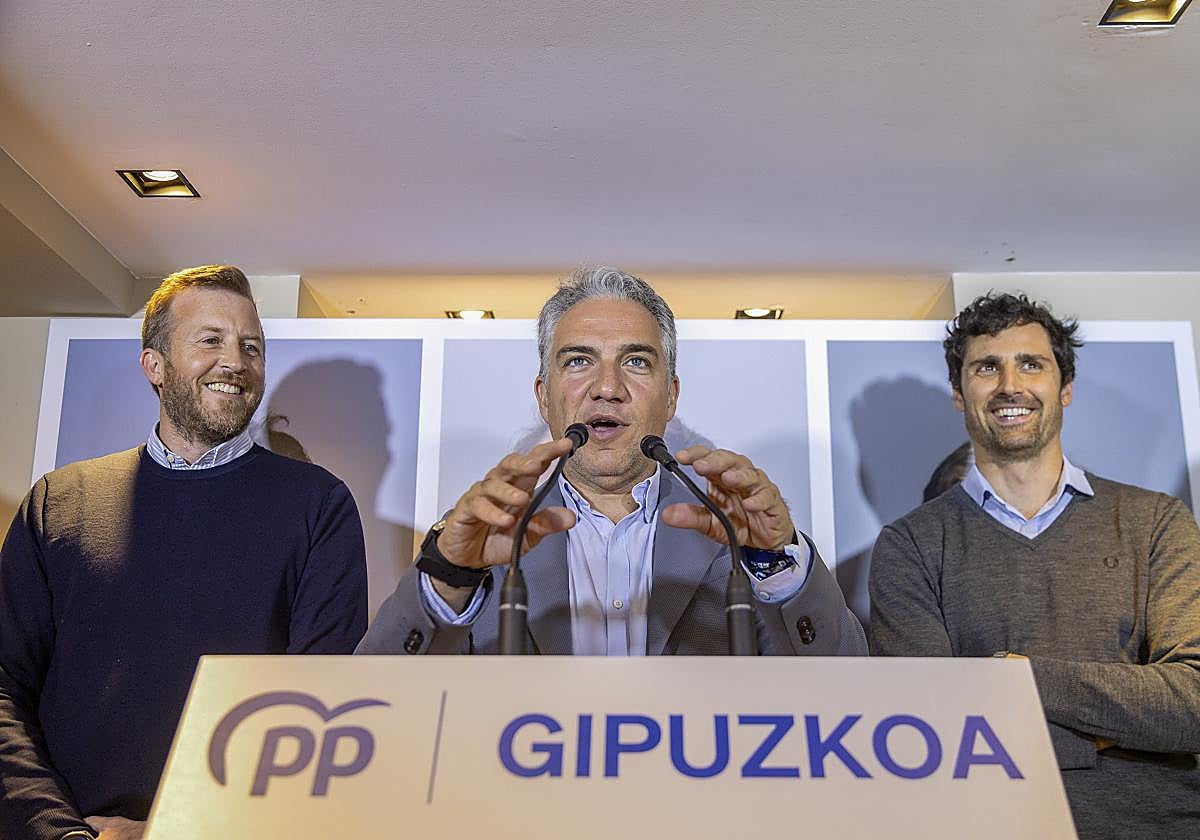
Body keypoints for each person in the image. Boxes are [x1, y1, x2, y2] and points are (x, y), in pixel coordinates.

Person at [0, 265, 368, 840]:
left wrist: (176, 831)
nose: (235, 361)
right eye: (210, 340)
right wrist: (57, 830)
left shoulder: (320, 505)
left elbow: (319, 709)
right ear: (154, 365)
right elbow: (5, 690)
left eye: (251, 347)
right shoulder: (59, 501)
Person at [358, 266, 865, 656]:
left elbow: (845, 687)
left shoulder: (733, 529)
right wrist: (449, 575)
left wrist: (774, 561)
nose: (607, 388)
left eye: (636, 362)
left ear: (670, 397)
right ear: (544, 397)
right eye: (579, 360)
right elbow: (381, 699)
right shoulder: (487, 531)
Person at [868, 292, 1200, 839]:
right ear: (959, 394)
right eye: (987, 368)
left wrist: (1017, 676)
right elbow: (929, 726)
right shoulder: (910, 546)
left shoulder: (1156, 522)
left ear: (1065, 387)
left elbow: (1191, 703)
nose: (1009, 386)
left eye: (1031, 364)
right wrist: (1110, 732)